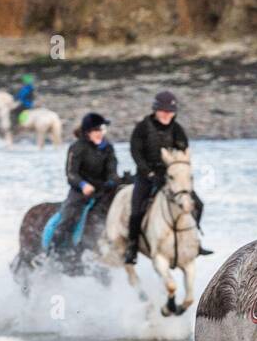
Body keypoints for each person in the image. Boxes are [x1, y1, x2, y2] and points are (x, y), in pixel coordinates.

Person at [125, 90, 209, 264]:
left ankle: (196, 242)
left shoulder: (177, 129)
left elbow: (183, 150)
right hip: (146, 176)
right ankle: (132, 248)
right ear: (155, 110)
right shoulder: (142, 127)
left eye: (170, 112)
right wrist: (148, 172)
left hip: (172, 178)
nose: (166, 115)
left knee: (198, 205)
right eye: (163, 111)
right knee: (136, 211)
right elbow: (135, 152)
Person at [51, 113, 129, 262]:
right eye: (96, 130)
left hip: (103, 192)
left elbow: (112, 170)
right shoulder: (77, 147)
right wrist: (83, 184)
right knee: (67, 217)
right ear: (87, 132)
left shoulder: (108, 148)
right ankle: (55, 252)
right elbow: (71, 173)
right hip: (79, 192)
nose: (100, 133)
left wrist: (113, 181)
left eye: (101, 130)